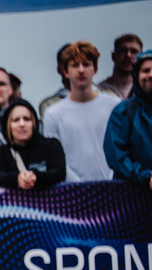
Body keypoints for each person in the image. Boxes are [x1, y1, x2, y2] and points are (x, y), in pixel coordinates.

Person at [43, 41, 121, 183]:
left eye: (86, 64)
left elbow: (122, 148)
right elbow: (54, 158)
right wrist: (79, 186)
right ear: (66, 71)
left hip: (113, 187)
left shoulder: (114, 105)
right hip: (73, 192)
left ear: (95, 69)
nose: (81, 70)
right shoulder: (52, 114)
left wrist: (111, 179)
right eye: (74, 65)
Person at [0, 99, 66, 189]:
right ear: (8, 125)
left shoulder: (51, 146)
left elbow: (59, 173)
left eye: (27, 119)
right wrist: (17, 178)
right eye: (16, 120)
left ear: (34, 122)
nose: (22, 124)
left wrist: (36, 177)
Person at [104, 49, 152, 190]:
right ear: (136, 75)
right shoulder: (123, 111)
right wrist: (146, 177)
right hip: (131, 198)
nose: (150, 75)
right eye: (146, 70)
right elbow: (117, 156)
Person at [97, 33, 143, 99]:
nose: (128, 55)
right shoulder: (98, 91)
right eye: (123, 51)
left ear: (141, 57)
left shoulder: (145, 91)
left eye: (134, 51)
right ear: (113, 56)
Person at [39, 44, 71, 121]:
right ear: (59, 70)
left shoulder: (104, 97)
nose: (80, 70)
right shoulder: (50, 105)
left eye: (84, 64)